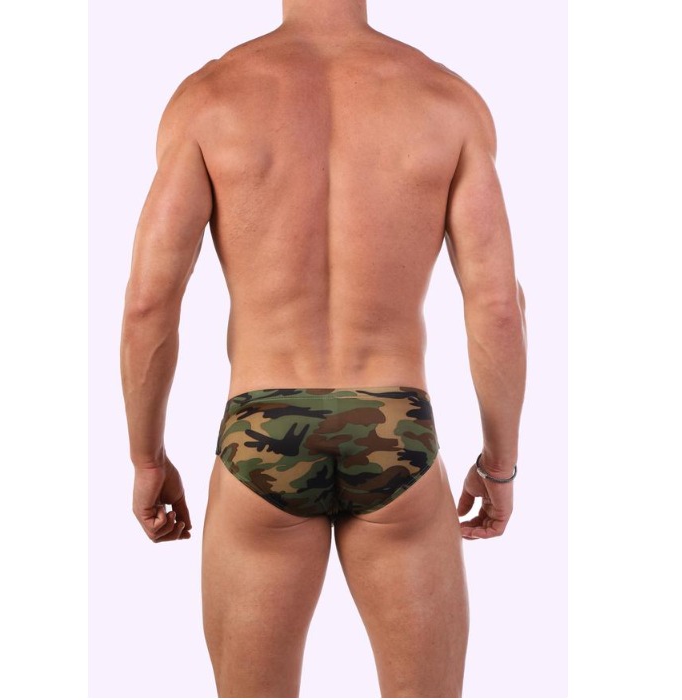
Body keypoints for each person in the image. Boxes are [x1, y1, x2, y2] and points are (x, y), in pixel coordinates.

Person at [119, 0, 527, 696]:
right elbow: (498, 309)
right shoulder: (446, 100)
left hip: (262, 429)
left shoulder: (209, 99)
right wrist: (500, 467)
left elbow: (147, 304)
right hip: (395, 427)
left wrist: (147, 459)